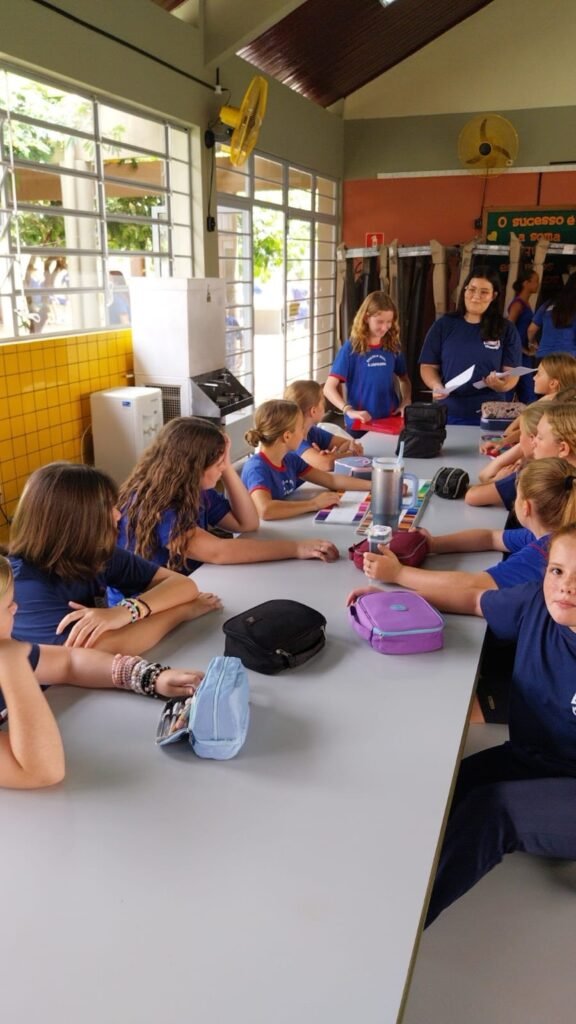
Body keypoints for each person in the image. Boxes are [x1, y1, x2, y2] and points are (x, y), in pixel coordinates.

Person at [421, 523, 576, 926]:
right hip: (533, 758)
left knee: (493, 810)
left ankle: (399, 929)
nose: (565, 586)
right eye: (557, 571)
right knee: (438, 792)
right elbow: (475, 600)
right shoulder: (535, 604)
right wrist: (401, 598)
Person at [0, 555, 207, 789]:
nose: (16, 608)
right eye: (8, 606)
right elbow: (41, 771)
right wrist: (14, 663)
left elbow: (70, 662)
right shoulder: (8, 654)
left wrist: (150, 677)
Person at [8, 462, 221, 650]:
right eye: (107, 508)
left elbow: (183, 585)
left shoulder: (95, 552)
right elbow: (112, 646)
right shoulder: (21, 588)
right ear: (76, 522)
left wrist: (125, 611)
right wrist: (183, 612)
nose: (118, 515)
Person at [118, 416, 339, 572]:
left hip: (191, 583)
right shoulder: (159, 504)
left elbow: (247, 524)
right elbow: (219, 552)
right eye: (218, 464)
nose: (222, 467)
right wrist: (297, 548)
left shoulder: (195, 489)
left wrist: (227, 468)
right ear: (193, 467)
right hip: (145, 603)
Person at [353, 458, 576, 604]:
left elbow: (472, 585)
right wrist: (434, 544)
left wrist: (398, 574)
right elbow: (490, 538)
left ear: (525, 507)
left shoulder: (545, 552)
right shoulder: (555, 531)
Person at [419, 266, 521, 425]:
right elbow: (428, 366)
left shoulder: (506, 329)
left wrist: (501, 385)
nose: (476, 296)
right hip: (448, 411)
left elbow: (512, 373)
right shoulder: (444, 325)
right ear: (464, 290)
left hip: (490, 413)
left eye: (484, 292)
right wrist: (436, 385)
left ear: (494, 296)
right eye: (472, 290)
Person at [241, 400, 371, 520]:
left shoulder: (290, 459)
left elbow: (331, 480)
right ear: (287, 436)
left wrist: (374, 486)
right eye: (301, 428)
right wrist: (313, 504)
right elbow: (265, 510)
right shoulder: (257, 468)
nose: (304, 432)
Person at [323, 291, 411, 437]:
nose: (385, 327)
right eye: (380, 322)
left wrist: (406, 400)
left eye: (389, 322)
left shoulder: (393, 346)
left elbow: (404, 379)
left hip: (390, 420)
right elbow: (328, 388)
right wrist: (348, 410)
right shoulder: (351, 348)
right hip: (360, 424)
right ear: (366, 318)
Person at [466, 398, 576, 508]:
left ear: (563, 448)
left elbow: (473, 495)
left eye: (539, 437)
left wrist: (497, 480)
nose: (534, 442)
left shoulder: (539, 477)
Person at [480, 356, 576, 454]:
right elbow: (515, 431)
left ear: (553, 383)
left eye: (539, 374)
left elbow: (514, 431)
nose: (534, 378)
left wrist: (503, 441)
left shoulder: (553, 411)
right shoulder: (550, 403)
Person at [284, 379, 363, 470]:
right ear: (313, 411)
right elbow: (326, 464)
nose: (324, 407)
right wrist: (351, 454)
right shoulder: (294, 438)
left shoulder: (312, 431)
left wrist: (335, 455)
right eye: (322, 403)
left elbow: (347, 443)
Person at [506, 268, 540, 403]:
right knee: (518, 390)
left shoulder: (526, 303)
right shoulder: (518, 304)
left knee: (527, 390)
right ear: (526, 283)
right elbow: (508, 330)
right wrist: (522, 349)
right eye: (535, 281)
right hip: (516, 354)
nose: (538, 284)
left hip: (524, 354)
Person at [526, 271, 576, 358]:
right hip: (568, 359)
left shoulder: (548, 304)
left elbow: (531, 330)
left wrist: (532, 343)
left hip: (544, 357)